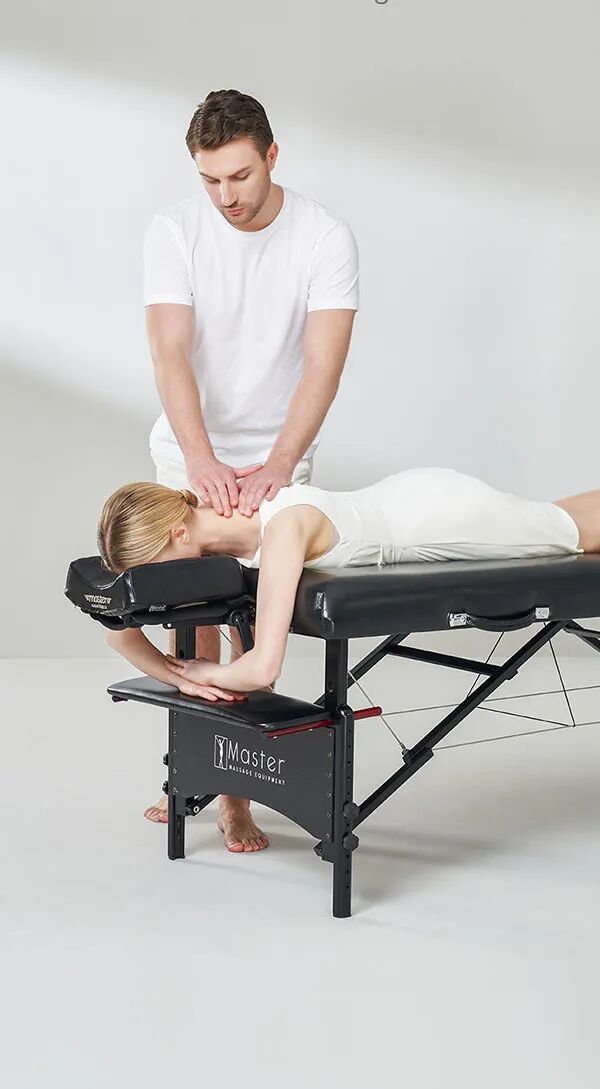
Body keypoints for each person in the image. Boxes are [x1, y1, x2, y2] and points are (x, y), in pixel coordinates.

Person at [97, 468, 600, 850]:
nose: (151, 586)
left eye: (149, 568)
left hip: (439, 519)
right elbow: (117, 633)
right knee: (552, 516)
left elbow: (262, 669)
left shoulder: (280, 533)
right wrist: (174, 670)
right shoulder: (244, 530)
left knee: (572, 533)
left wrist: (201, 673)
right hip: (412, 498)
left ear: (178, 532)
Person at [142, 88, 359, 845]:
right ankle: (196, 774)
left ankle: (239, 788)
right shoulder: (174, 229)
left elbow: (323, 366)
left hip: (279, 455)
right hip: (189, 448)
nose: (226, 196)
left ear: (272, 155)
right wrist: (199, 459)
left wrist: (280, 463)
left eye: (240, 175)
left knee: (257, 623)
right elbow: (171, 354)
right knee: (194, 620)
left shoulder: (324, 236)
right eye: (211, 180)